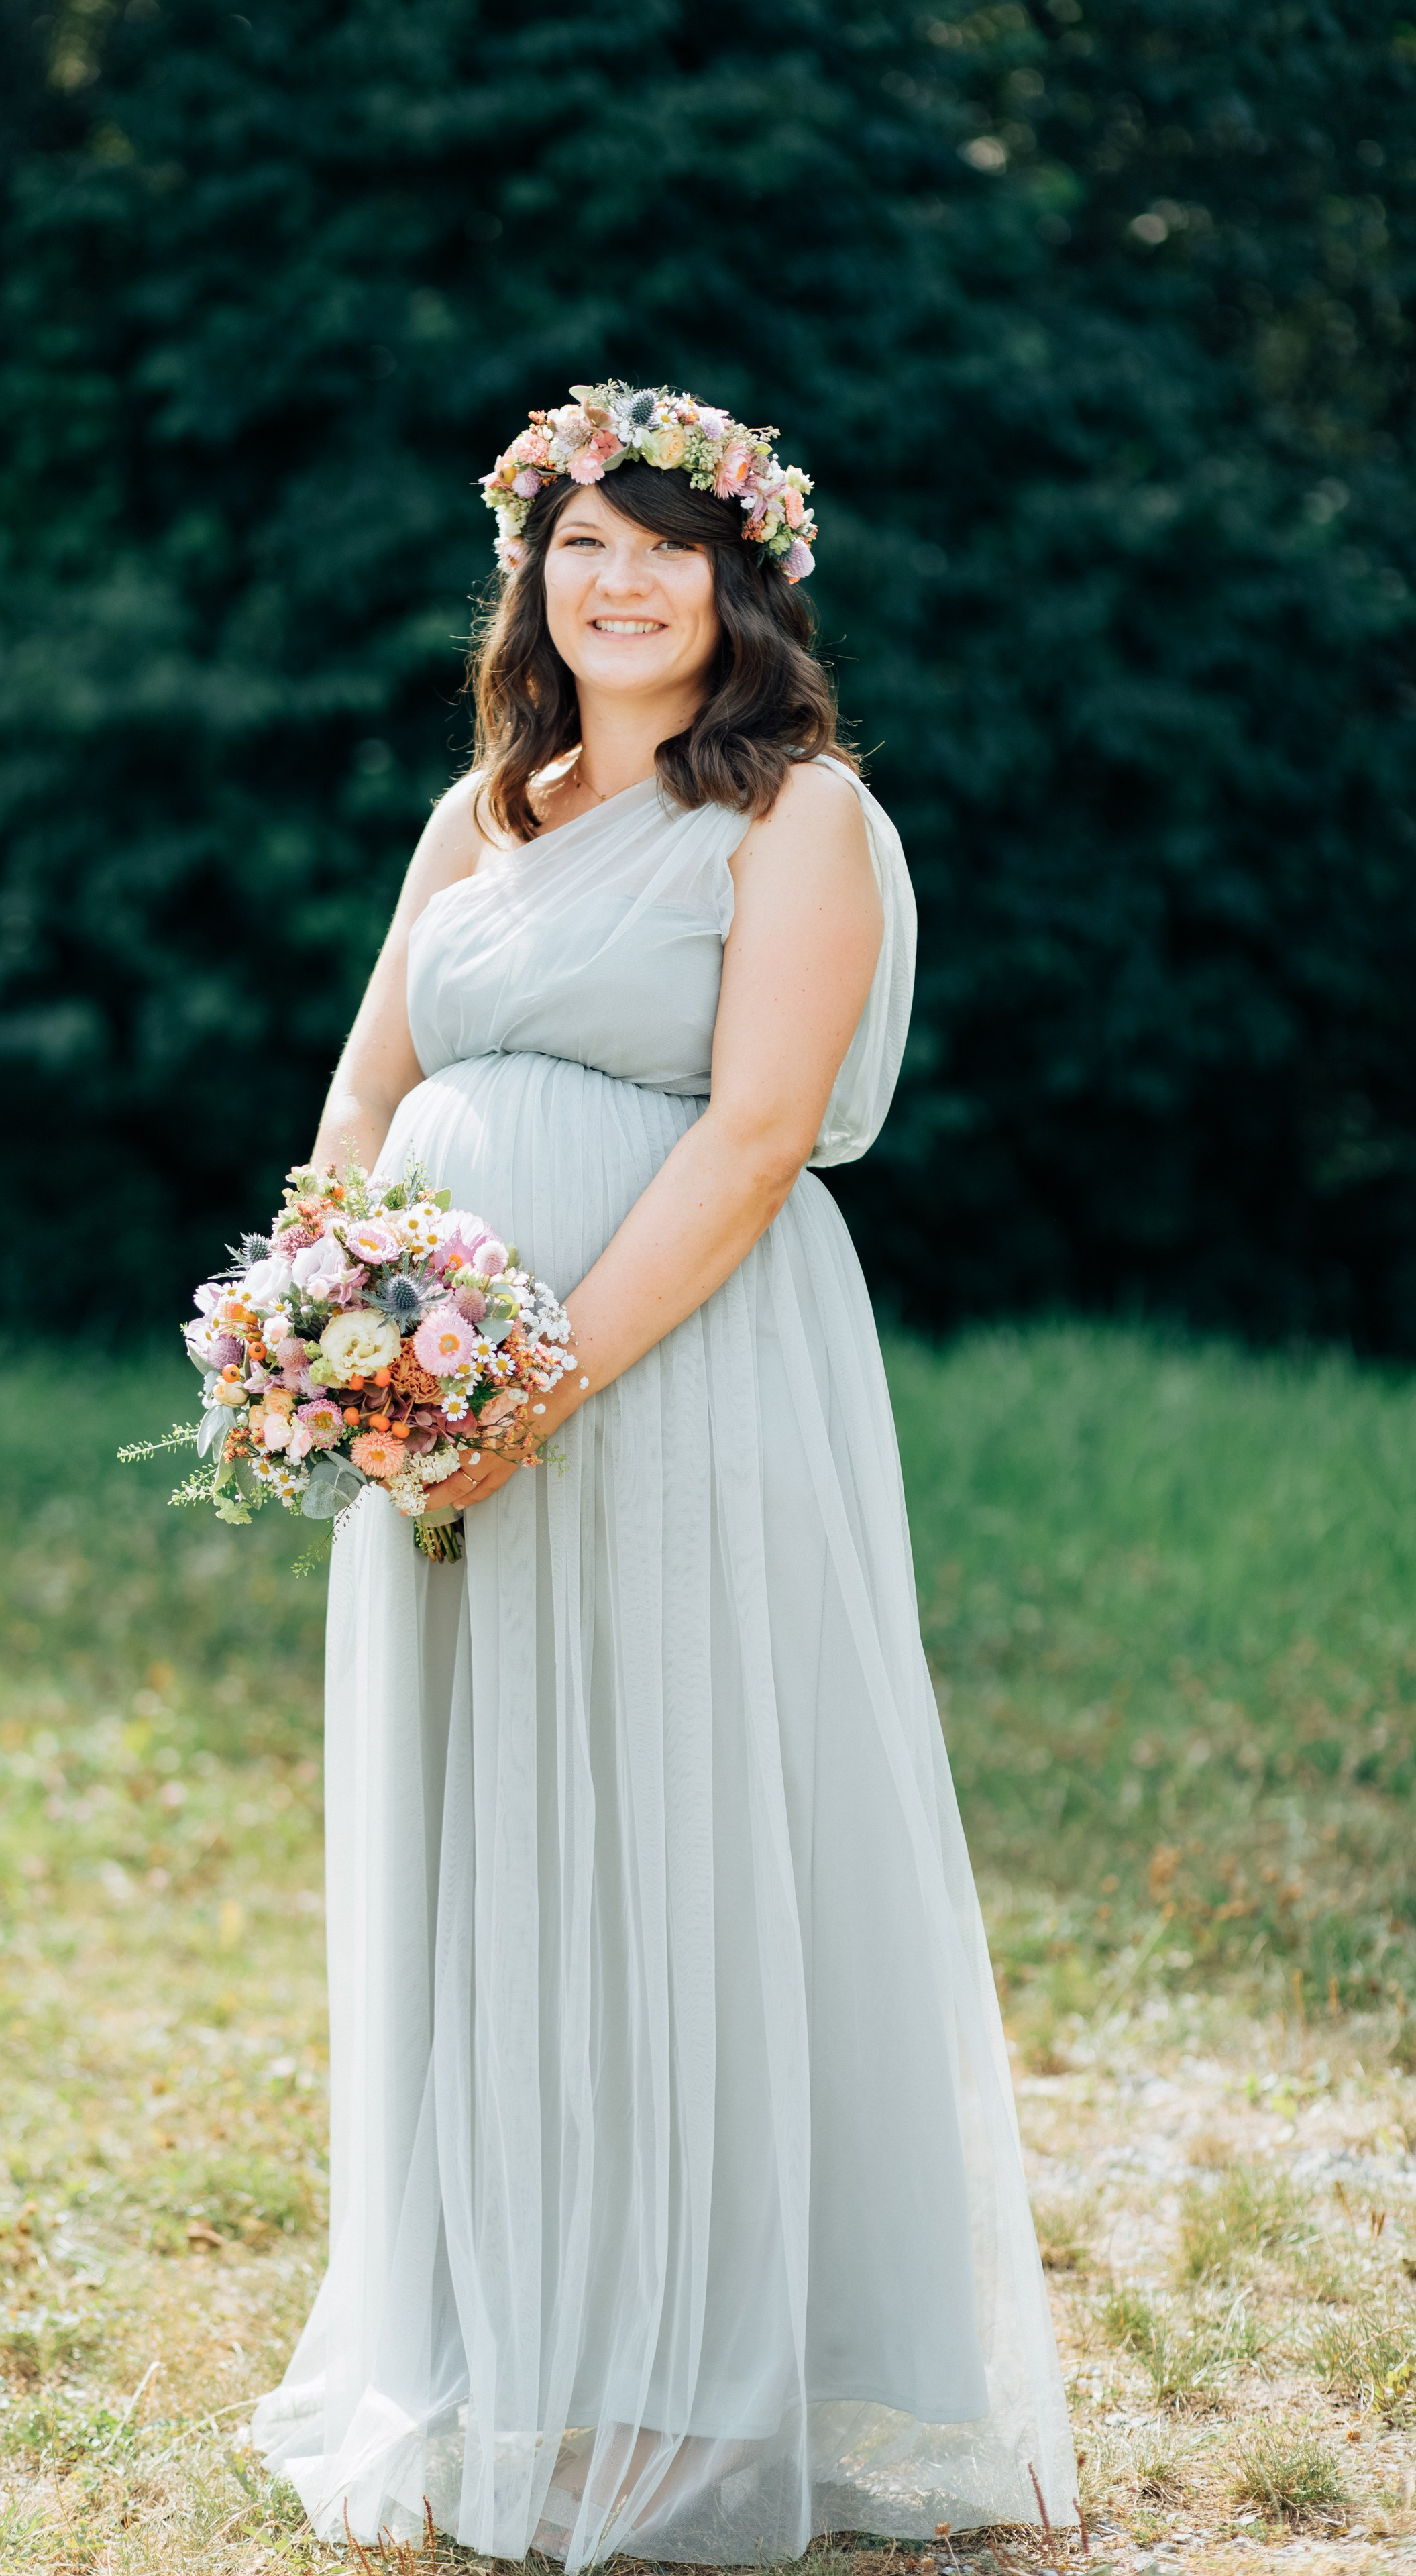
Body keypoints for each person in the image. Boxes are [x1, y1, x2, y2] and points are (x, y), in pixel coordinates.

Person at [251, 384, 1075, 2567]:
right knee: (483, 1845)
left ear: (742, 579)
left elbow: (749, 1138)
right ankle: (499, 2354)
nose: (614, 579)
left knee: (673, 1829)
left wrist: (536, 1387)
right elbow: (363, 1084)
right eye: (577, 543)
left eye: (661, 544)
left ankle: (691, 2386)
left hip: (676, 1379)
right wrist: (331, 1324)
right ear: (531, 575)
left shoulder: (797, 816)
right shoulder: (479, 807)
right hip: (435, 1409)